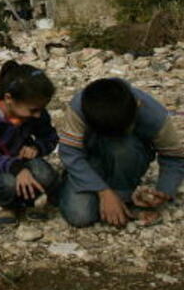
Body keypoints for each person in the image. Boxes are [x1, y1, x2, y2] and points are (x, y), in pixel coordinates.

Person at [58, 78, 184, 228]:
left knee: (121, 146)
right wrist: (103, 191)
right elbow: (70, 153)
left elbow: (174, 157)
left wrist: (164, 190)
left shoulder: (155, 116)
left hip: (127, 157)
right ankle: (87, 188)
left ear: (137, 107)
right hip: (91, 162)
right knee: (80, 216)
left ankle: (123, 196)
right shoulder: (80, 108)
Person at [0, 60, 59, 225]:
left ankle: (30, 199)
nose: (38, 115)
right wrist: (17, 169)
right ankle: (6, 205)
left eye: (41, 109)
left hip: (24, 160)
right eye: (34, 111)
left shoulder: (34, 109)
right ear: (9, 98)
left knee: (47, 175)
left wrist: (37, 148)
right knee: (9, 184)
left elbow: (50, 137)